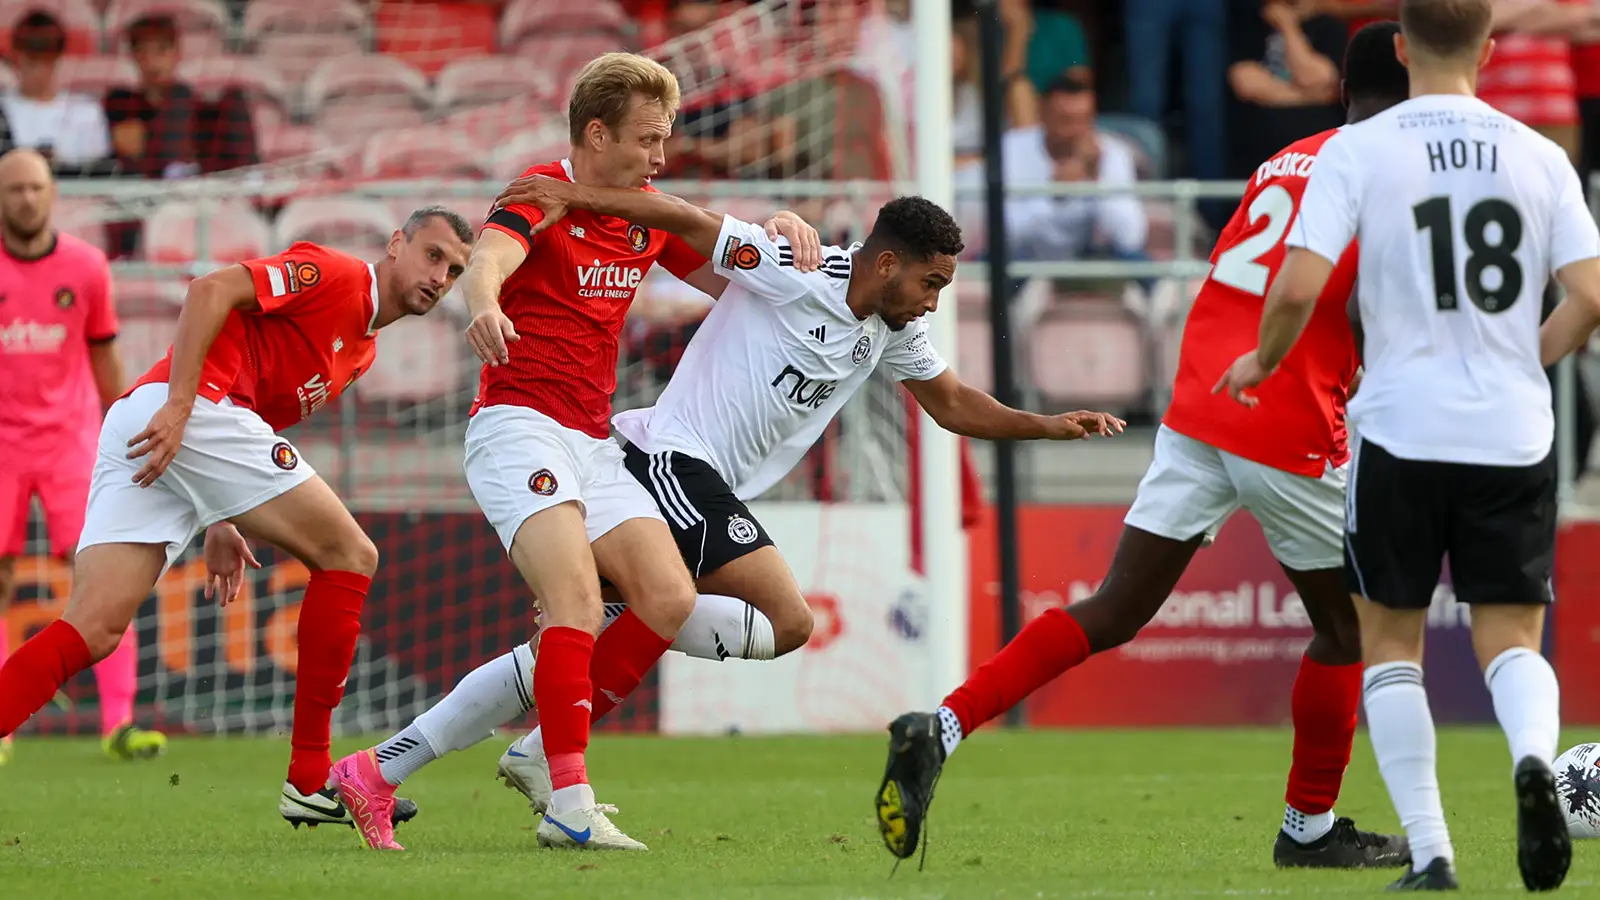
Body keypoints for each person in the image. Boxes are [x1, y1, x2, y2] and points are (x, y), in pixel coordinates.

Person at [347, 187, 1122, 823]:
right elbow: (683, 221)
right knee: (787, 619)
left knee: (563, 648)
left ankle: (383, 768)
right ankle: (547, 752)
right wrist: (576, 195)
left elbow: (952, 404)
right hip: (669, 459)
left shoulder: (889, 330)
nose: (933, 303)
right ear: (888, 264)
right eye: (931, 284)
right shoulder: (795, 267)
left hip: (702, 481)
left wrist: (1047, 425)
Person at [876, 20, 1415, 873]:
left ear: (1340, 91)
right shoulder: (1393, 170)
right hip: (1283, 407)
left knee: (1118, 607)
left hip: (1200, 399)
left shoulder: (1287, 159)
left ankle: (940, 726)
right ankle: (1308, 828)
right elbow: (1353, 299)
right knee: (1350, 629)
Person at [325, 52, 820, 854]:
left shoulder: (645, 214)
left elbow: (740, 279)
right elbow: (491, 259)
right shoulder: (539, 193)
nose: (660, 155)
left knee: (665, 598)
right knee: (578, 609)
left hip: (593, 442)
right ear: (596, 134)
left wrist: (781, 234)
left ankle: (379, 772)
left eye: (665, 138)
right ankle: (570, 801)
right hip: (518, 426)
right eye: (648, 139)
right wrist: (484, 303)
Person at [1217, 0, 1600, 890]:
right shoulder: (1540, 154)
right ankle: (1532, 760)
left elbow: (1297, 287)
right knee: (1512, 638)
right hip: (1511, 429)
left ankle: (1432, 855)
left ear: (1399, 46)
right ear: (1490, 49)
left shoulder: (1361, 149)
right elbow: (1590, 294)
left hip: (1399, 426)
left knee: (1391, 645)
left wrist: (1262, 360)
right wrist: (1525, 358)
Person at [0, 205, 473, 835]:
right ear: (395, 245)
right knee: (352, 555)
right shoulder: (335, 275)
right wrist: (182, 405)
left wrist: (223, 518)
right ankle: (309, 779)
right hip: (182, 414)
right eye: (433, 256)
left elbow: (252, 417)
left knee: (94, 628)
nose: (440, 278)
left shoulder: (361, 351)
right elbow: (210, 290)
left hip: (158, 427)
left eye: (455, 271)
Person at [0, 149, 166, 764]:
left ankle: (118, 724)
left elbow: (105, 359)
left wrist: (126, 435)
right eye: (14, 188)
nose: (26, 198)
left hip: (70, 441)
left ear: (52, 193)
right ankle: (3, 727)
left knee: (106, 577)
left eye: (35, 187)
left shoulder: (87, 267)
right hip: (1, 446)